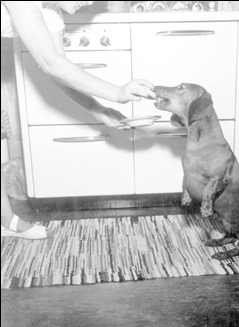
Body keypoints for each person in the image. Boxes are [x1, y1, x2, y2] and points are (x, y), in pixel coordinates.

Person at [1, 1, 156, 239]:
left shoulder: (51, 10)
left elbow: (57, 69)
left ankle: (5, 220)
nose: (88, 1)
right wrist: (116, 92)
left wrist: (99, 109)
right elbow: (52, 65)